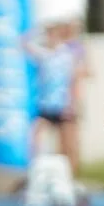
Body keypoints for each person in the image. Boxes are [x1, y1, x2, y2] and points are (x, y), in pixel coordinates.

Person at [25, 20, 87, 175]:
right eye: (49, 35)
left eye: (53, 35)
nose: (50, 38)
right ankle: (35, 171)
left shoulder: (68, 55)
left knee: (68, 143)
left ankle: (70, 176)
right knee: (35, 138)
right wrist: (39, 29)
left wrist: (74, 103)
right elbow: (23, 44)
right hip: (47, 105)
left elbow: (75, 80)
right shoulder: (45, 55)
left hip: (64, 105)